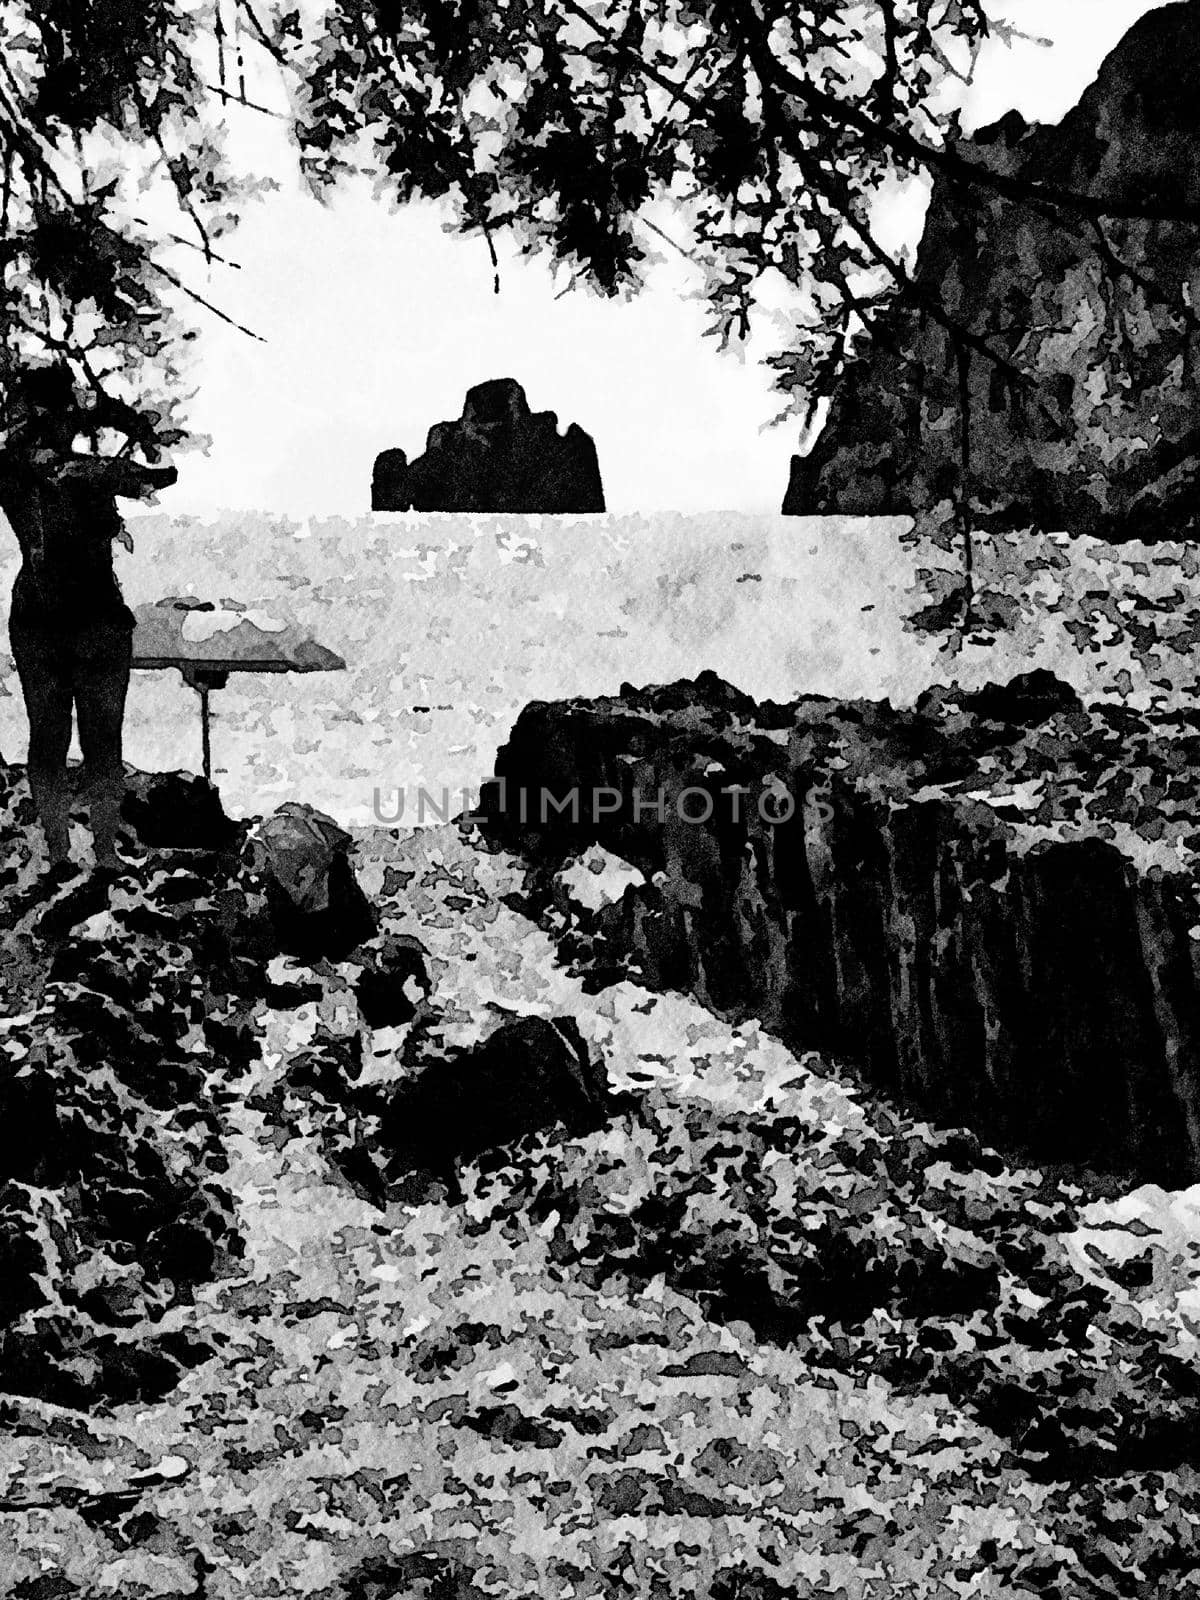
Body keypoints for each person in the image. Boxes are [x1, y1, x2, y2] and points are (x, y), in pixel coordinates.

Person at [0, 365, 177, 877]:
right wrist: (136, 430)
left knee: (49, 738)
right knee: (101, 740)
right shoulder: (89, 471)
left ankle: (62, 854)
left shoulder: (12, 469)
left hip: (38, 615)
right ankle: (100, 854)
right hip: (92, 617)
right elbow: (160, 474)